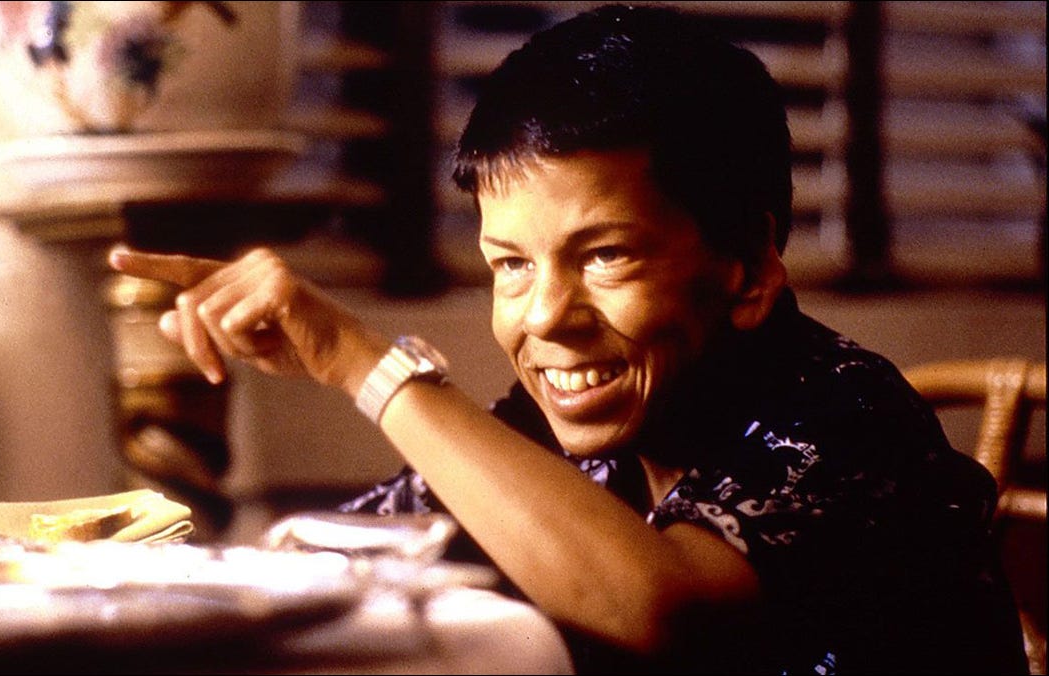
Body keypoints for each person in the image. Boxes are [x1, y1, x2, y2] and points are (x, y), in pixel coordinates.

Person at [108, 4, 1028, 673]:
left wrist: (362, 364)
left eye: (606, 256)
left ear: (747, 270)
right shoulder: (568, 433)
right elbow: (348, 554)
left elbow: (659, 607)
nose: (546, 317)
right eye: (510, 264)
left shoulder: (851, 419)